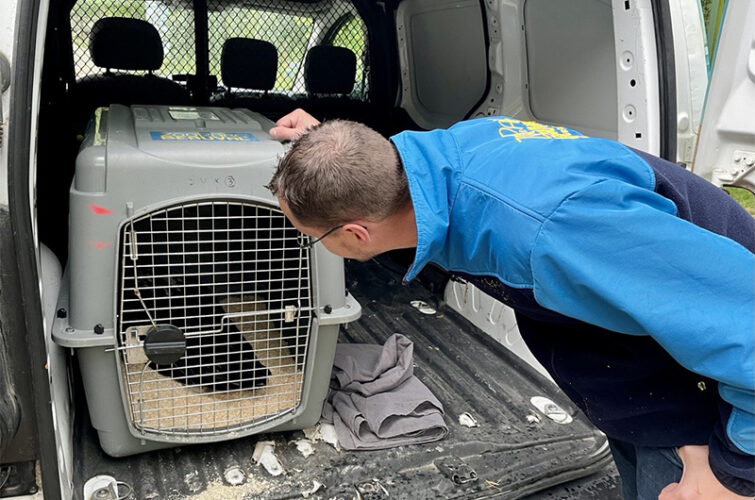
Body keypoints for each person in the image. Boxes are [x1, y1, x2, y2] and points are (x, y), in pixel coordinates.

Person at [267, 109, 754, 500]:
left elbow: (746, 327)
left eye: (313, 238)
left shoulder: (551, 228)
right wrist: (324, 146)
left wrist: (734, 474)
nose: (313, 243)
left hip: (715, 408)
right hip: (638, 387)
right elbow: (381, 165)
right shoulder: (450, 154)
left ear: (355, 234)